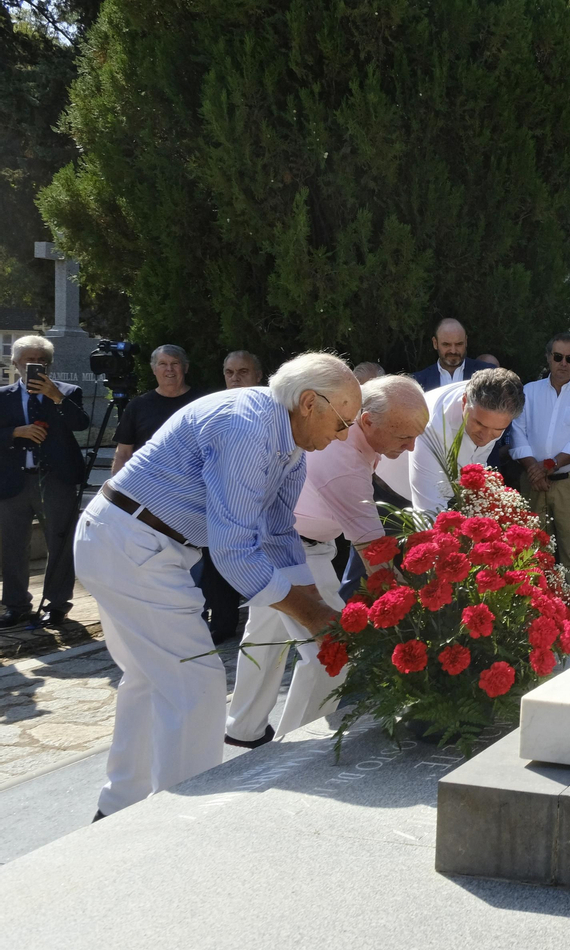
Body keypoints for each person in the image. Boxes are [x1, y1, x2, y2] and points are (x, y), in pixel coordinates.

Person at [75, 353, 356, 817]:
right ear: (309, 403)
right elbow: (235, 550)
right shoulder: (246, 426)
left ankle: (120, 807)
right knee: (196, 682)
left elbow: (280, 533)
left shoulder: (289, 441)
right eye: (342, 422)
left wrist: (316, 608)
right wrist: (316, 618)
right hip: (130, 544)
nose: (343, 434)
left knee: (151, 678)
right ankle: (182, 818)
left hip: (135, 542)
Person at [225, 375, 428, 747]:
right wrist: (420, 615)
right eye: (404, 437)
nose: (413, 446)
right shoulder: (344, 464)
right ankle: (293, 745)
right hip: (295, 551)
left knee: (264, 640)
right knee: (330, 653)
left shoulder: (363, 432)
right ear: (368, 422)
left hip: (282, 540)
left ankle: (243, 730)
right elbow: (375, 556)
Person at [0, 336, 89, 629]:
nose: (35, 364)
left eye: (41, 360)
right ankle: (16, 605)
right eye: (29, 359)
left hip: (56, 481)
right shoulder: (3, 396)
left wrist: (57, 398)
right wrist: (16, 432)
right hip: (14, 483)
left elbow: (80, 424)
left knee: (60, 544)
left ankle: (57, 605)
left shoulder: (68, 392)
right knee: (12, 546)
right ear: (15, 362)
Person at [508, 334, 570, 599]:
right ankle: (535, 612)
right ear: (548, 357)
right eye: (558, 357)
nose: (564, 363)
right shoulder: (529, 390)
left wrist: (547, 467)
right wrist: (534, 469)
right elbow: (517, 432)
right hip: (533, 481)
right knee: (533, 552)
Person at [200, 350, 267, 641]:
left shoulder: (270, 408)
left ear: (258, 376)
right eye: (229, 372)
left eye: (243, 372)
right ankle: (222, 624)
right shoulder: (210, 408)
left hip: (262, 500)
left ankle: (265, 625)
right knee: (217, 562)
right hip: (221, 501)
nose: (235, 378)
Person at [408, 368, 525, 514]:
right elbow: (428, 511)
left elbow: (478, 461)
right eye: (480, 424)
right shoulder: (431, 425)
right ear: (464, 402)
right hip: (397, 494)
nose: (486, 436)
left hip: (450, 495)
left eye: (497, 429)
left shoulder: (495, 411)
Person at [110, 344, 199, 475]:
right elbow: (123, 453)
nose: (169, 369)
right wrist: (115, 490)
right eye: (162, 364)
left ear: (185, 368)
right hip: (147, 486)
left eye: (175, 363)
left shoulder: (203, 402)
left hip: (192, 486)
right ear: (154, 369)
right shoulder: (138, 406)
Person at [412, 318, 494, 390]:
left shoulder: (489, 375)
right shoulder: (418, 382)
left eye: (459, 344)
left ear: (466, 341)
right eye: (446, 344)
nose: (453, 351)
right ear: (435, 343)